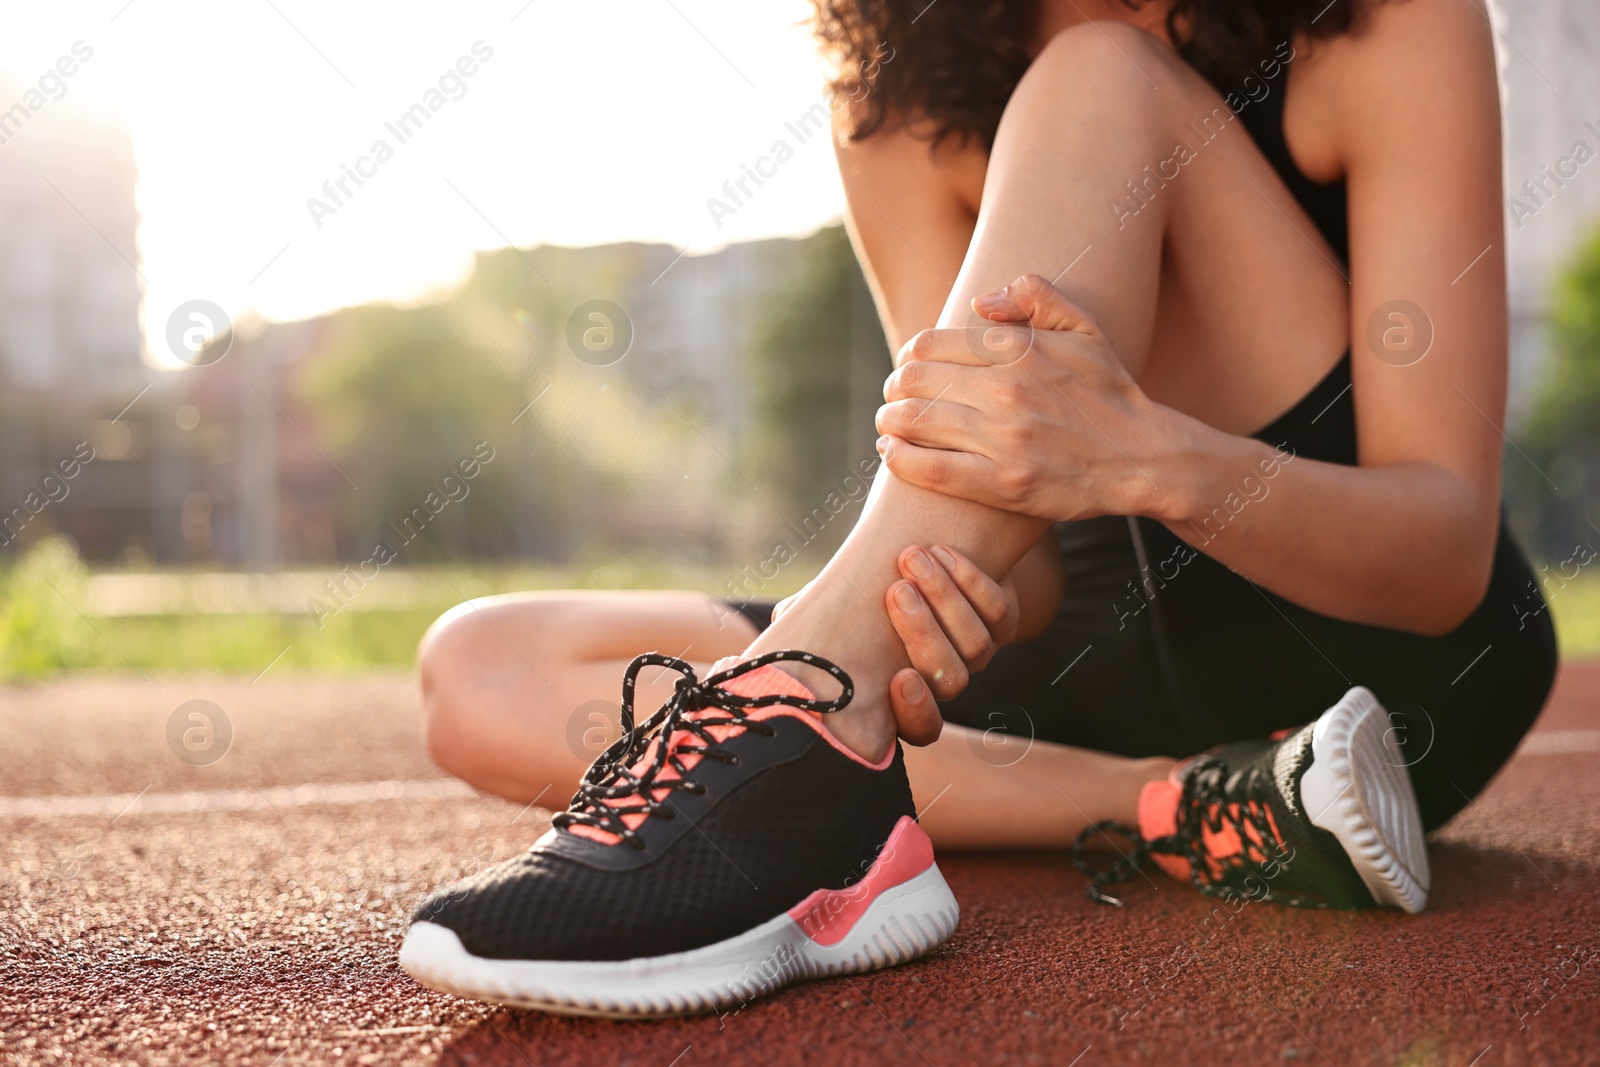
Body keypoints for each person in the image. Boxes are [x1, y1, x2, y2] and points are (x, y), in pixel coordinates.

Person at [396, 0, 1558, 1017]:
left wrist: (1152, 460)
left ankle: (811, 719)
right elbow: (1007, 521)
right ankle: (1194, 801)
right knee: (481, 667)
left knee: (1102, 74)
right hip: (1091, 690)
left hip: (1380, 672)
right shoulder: (898, 86)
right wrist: (956, 604)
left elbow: (1443, 554)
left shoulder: (1386, 18)